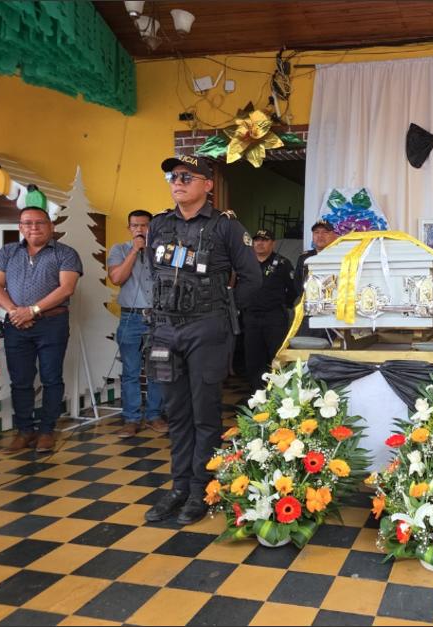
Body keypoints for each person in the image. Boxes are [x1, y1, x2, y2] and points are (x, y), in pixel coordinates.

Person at [144, 154, 261, 526]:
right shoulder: (159, 225)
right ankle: (178, 487)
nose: (177, 182)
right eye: (172, 177)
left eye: (186, 176)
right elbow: (155, 272)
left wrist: (220, 312)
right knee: (175, 412)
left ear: (207, 185)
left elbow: (252, 279)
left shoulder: (226, 228)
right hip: (165, 328)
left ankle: (201, 488)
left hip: (206, 330)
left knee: (204, 413)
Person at [0, 207, 83, 454]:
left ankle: (47, 431)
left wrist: (32, 310)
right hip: (16, 324)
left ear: (51, 226)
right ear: (20, 227)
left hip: (52, 323)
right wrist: (14, 311)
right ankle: (24, 431)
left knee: (52, 378)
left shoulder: (65, 253)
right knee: (20, 380)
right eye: (27, 223)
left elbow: (66, 289)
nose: (33, 227)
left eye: (39, 222)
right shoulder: (8, 252)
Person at [108, 210, 166, 438]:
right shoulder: (119, 250)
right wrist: (134, 250)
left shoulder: (161, 253)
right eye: (135, 226)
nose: (140, 230)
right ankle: (131, 418)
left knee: (157, 370)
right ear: (129, 228)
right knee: (130, 371)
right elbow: (117, 278)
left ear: (152, 227)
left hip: (159, 319)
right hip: (130, 318)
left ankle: (154, 415)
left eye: (144, 225)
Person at [243, 229, 296, 387]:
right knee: (253, 358)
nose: (259, 243)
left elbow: (293, 290)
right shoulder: (245, 263)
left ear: (273, 243)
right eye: (257, 240)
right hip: (251, 317)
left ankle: (279, 394)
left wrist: (282, 305)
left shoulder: (283, 263)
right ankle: (256, 394)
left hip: (274, 317)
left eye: (264, 240)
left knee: (277, 356)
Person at [293, 220, 338, 340]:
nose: (320, 236)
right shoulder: (304, 258)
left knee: (330, 348)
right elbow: (298, 284)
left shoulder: (340, 257)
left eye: (325, 232)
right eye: (316, 232)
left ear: (334, 236)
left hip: (333, 312)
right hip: (308, 312)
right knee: (305, 346)